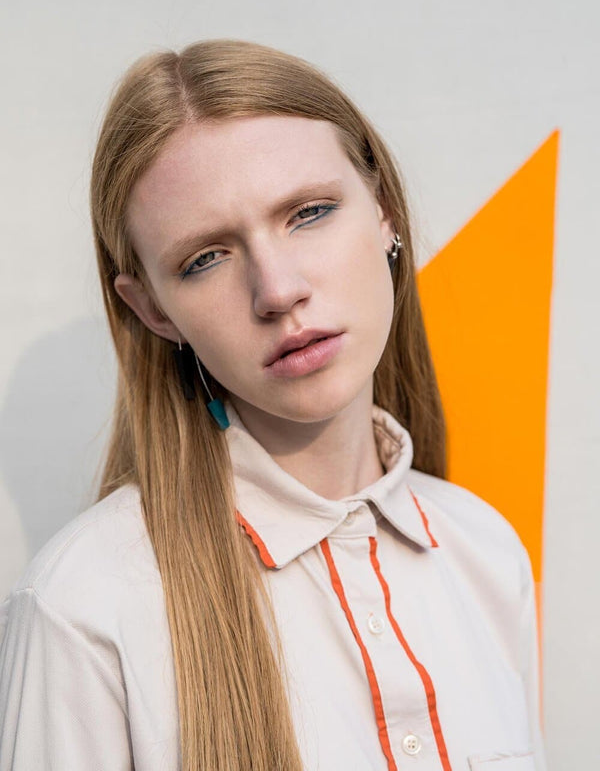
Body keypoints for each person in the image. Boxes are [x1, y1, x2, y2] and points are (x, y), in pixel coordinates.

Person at [0, 38, 547, 771]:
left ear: (384, 212)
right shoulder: (83, 607)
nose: (278, 289)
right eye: (205, 258)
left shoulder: (484, 552)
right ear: (154, 310)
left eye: (310, 212)